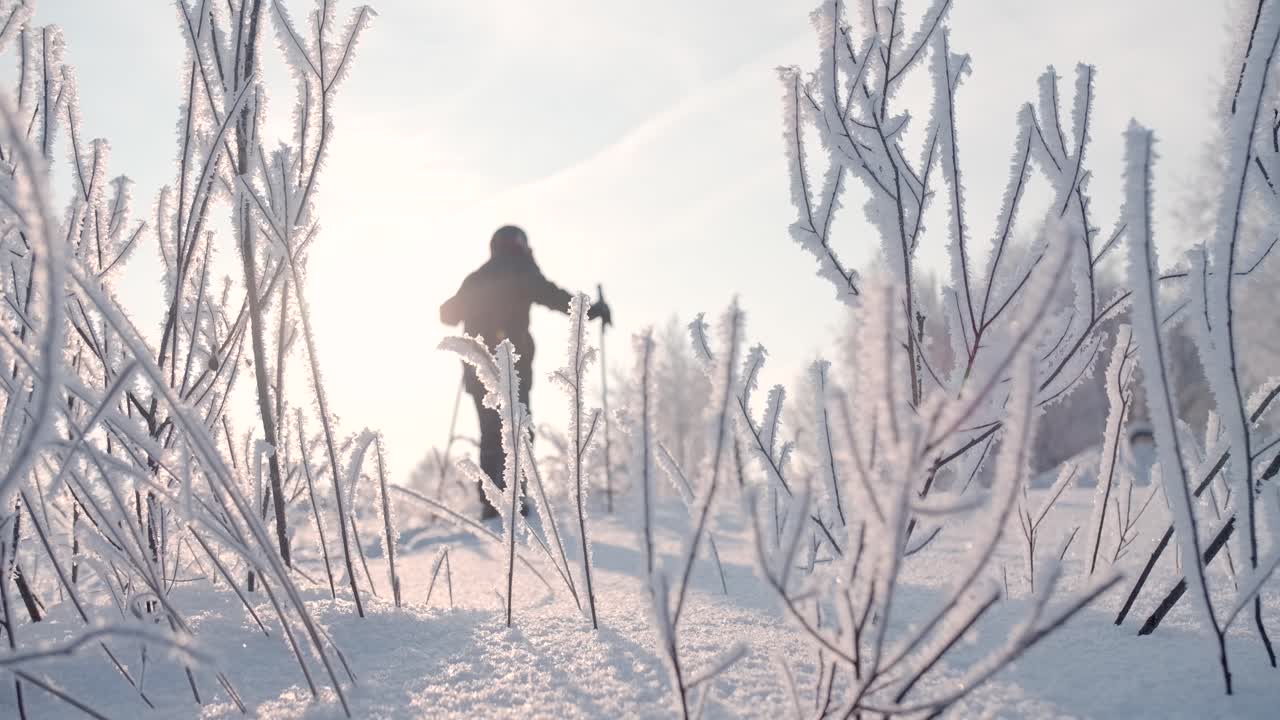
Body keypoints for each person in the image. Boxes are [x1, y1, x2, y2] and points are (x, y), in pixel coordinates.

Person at [439, 225, 611, 519]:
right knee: (517, 430)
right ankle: (514, 501)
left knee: (491, 432)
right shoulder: (521, 272)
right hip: (512, 368)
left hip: (477, 370)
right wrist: (593, 310)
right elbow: (558, 299)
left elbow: (447, 314)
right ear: (521, 246)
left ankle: (493, 505)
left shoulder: (476, 278)